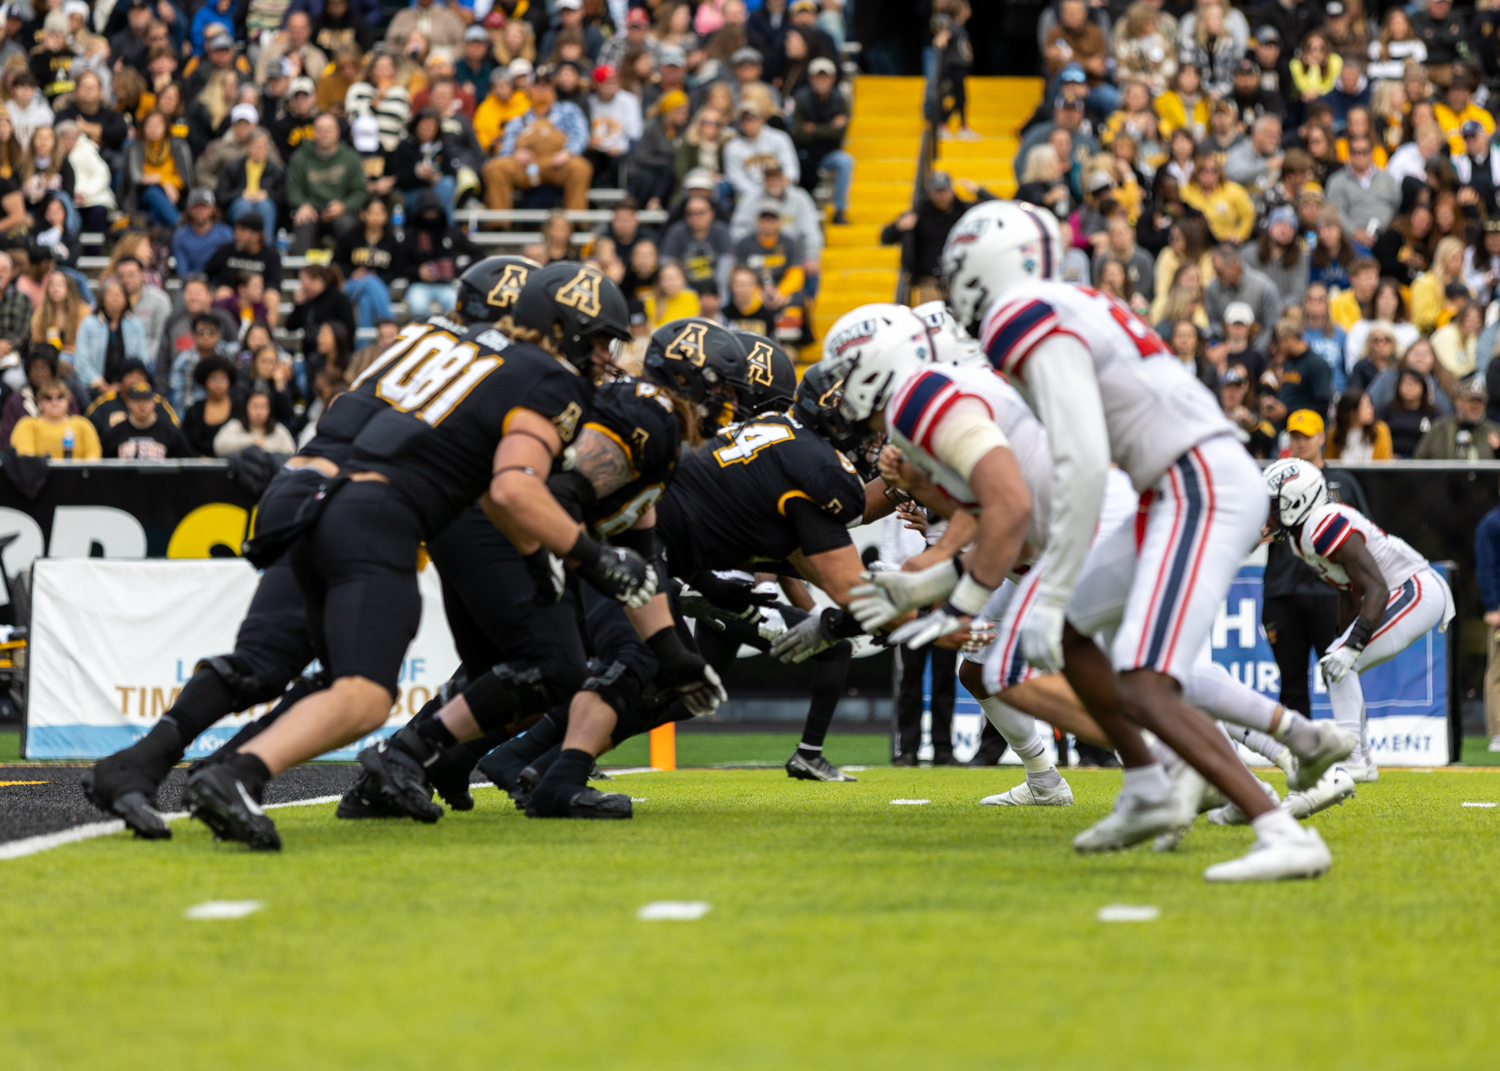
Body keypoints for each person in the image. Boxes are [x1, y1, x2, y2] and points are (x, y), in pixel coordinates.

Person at [931, 201, 1341, 881]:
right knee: (1067, 639)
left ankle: (1282, 829)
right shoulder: (1074, 297)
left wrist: (1054, 579)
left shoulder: (1018, 313)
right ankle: (1162, 779)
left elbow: (1083, 457)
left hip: (1193, 480)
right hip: (1178, 480)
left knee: (1146, 681)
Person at [1266, 457, 1455, 783]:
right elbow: (1347, 590)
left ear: (1296, 501)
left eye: (1273, 504)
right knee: (1334, 665)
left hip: (1413, 587)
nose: (1267, 512)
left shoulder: (1321, 524)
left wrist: (1352, 644)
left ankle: (1356, 759)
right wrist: (1342, 640)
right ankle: (1360, 760)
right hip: (1399, 590)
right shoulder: (1301, 538)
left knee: (1342, 661)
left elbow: (1376, 589)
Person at [1261, 410, 1371, 728]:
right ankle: (1300, 754)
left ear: (1321, 438)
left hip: (1330, 592)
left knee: (1342, 674)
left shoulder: (1343, 484)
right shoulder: (1272, 484)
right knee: (1292, 682)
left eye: (1306, 436)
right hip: (1283, 589)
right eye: (1294, 437)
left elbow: (1365, 534)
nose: (1300, 443)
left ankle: (1354, 748)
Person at [483, 79, 592, 212]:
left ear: (552, 89)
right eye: (537, 85)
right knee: (495, 168)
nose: (541, 89)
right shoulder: (520, 116)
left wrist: (568, 152)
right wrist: (515, 153)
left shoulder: (568, 110)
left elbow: (581, 134)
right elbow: (506, 145)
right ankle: (498, 224)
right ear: (530, 90)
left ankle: (576, 223)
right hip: (526, 165)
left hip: (558, 162)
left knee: (580, 168)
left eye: (545, 85)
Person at [879, 171, 973, 305]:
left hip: (959, 283)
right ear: (929, 192)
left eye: (944, 191)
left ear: (952, 191)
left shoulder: (966, 213)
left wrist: (980, 192)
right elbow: (885, 238)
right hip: (929, 284)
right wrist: (898, 226)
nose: (940, 196)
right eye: (937, 192)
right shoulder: (919, 214)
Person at [286, 113, 366, 254]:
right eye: (320, 130)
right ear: (314, 133)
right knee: (302, 221)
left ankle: (347, 269)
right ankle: (299, 271)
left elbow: (360, 191)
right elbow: (292, 189)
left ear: (337, 132)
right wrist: (302, 204)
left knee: (348, 225)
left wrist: (344, 206)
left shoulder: (351, 158)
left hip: (341, 211)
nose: (325, 134)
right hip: (311, 211)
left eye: (329, 129)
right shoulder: (300, 158)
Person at [401, 192, 483, 317]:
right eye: (426, 212)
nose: (430, 216)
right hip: (419, 285)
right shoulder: (411, 235)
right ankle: (425, 335)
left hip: (446, 285)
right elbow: (400, 265)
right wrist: (418, 271)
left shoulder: (452, 233)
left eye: (433, 212)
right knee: (417, 306)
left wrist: (458, 271)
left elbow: (479, 254)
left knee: (454, 305)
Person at [790, 56, 852, 224]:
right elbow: (799, 133)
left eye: (825, 76)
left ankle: (839, 211)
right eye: (818, 76)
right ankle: (801, 215)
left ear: (832, 78)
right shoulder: (801, 98)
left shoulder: (840, 100)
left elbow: (840, 133)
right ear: (810, 78)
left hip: (828, 153)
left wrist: (814, 129)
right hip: (805, 154)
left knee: (845, 161)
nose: (821, 80)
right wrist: (828, 128)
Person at [334, 198, 406, 329]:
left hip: (379, 288)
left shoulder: (392, 241)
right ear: (363, 214)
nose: (376, 217)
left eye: (380, 213)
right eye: (372, 212)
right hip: (350, 285)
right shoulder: (350, 237)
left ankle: (363, 346)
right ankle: (390, 327)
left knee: (366, 302)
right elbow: (335, 264)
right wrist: (352, 273)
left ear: (386, 216)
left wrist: (378, 278)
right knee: (369, 281)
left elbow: (397, 269)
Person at [75, 279, 148, 396]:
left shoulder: (136, 325)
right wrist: (102, 385)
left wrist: (128, 383)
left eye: (119, 293)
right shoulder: (88, 324)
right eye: (110, 293)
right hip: (94, 388)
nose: (115, 296)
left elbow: (141, 358)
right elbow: (81, 362)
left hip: (129, 388)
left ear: (126, 300)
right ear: (102, 299)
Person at [659, 193, 733, 305]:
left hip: (714, 287)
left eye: (701, 213)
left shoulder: (721, 231)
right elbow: (666, 262)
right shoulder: (676, 231)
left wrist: (715, 291)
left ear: (712, 212)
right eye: (690, 213)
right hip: (683, 287)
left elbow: (727, 263)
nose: (695, 217)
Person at [215, 129, 285, 246]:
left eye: (264, 146)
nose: (261, 150)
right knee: (243, 205)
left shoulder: (276, 171)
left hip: (265, 206)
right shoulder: (232, 168)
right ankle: (240, 245)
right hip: (238, 206)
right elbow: (220, 195)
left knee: (265, 206)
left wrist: (267, 194)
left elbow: (283, 197)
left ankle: (264, 247)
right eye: (257, 146)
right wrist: (241, 194)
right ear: (247, 147)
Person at [1205, 243, 1280, 349]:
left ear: (1235, 266)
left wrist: (1254, 352)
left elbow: (1271, 327)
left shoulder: (1264, 287)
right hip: (1226, 347)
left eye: (1220, 272)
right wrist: (1226, 346)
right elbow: (1213, 321)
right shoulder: (1213, 287)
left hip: (1258, 348)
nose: (1216, 277)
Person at [126, 110, 192, 228]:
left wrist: (160, 180)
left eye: (157, 125)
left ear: (166, 127)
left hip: (176, 195)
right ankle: (179, 227)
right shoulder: (136, 148)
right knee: (154, 193)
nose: (153, 129)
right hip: (142, 195)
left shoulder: (178, 146)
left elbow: (185, 179)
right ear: (143, 128)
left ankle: (159, 237)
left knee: (155, 211)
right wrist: (165, 183)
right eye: (149, 125)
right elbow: (139, 178)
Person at [723, 100, 798, 198]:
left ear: (762, 118)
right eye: (743, 119)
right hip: (750, 196)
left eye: (752, 118)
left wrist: (780, 187)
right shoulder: (733, 146)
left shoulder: (780, 138)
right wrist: (759, 193)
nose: (748, 122)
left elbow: (791, 169)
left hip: (781, 190)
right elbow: (736, 179)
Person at [11, 377, 101, 458]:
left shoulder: (83, 424)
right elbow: (26, 459)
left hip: (77, 475)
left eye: (60, 397)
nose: (55, 402)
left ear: (68, 399)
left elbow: (94, 455)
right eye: (48, 398)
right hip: (40, 475)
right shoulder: (28, 425)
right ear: (40, 401)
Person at [203, 211, 284, 299]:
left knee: (272, 296)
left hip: (257, 301)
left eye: (243, 230)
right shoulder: (225, 251)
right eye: (237, 230)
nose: (237, 235)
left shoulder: (271, 256)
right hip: (229, 302)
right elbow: (206, 275)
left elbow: (274, 285)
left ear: (257, 235)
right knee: (223, 292)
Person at [1415, 376, 1500, 459]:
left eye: (1480, 401)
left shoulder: (1494, 430)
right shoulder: (1439, 428)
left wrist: (1498, 450)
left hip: (1482, 474)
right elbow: (1419, 460)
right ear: (1457, 401)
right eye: (1470, 400)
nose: (1475, 406)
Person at [100, 381, 190, 458]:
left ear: (154, 403)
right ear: (128, 403)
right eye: (137, 400)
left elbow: (188, 463)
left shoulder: (171, 433)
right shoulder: (114, 434)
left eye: (146, 400)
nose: (142, 405)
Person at [1476, 484, 1500, 752]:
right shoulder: (1491, 524)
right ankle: (1497, 732)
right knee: (1498, 671)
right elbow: (1486, 567)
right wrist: (1492, 605)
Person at [115, 256, 172, 361]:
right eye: (121, 276)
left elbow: (162, 338)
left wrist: (143, 361)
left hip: (151, 360)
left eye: (131, 275)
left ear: (142, 274)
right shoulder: (110, 302)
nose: (126, 280)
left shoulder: (159, 300)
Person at [214, 388, 297, 457]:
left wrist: (266, 451)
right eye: (254, 406)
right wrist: (251, 442)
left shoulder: (279, 430)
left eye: (263, 407)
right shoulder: (235, 426)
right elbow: (219, 447)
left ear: (270, 409)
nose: (259, 412)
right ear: (246, 408)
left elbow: (291, 453)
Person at [181, 353, 237, 456]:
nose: (219, 384)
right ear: (205, 382)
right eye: (213, 379)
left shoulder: (239, 409)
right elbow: (184, 443)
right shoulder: (194, 411)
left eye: (223, 378)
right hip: (200, 468)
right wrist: (198, 457)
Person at [172, 189, 235, 276]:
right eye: (196, 207)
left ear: (213, 209)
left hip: (219, 284)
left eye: (204, 206)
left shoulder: (226, 234)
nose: (200, 211)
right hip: (192, 284)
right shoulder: (180, 236)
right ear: (189, 210)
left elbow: (230, 266)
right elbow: (182, 271)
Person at [1328, 389, 1394, 461]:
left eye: (1370, 405)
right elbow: (1330, 464)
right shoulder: (1333, 433)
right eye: (1366, 406)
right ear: (1352, 412)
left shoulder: (1380, 430)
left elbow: (1384, 464)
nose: (1371, 410)